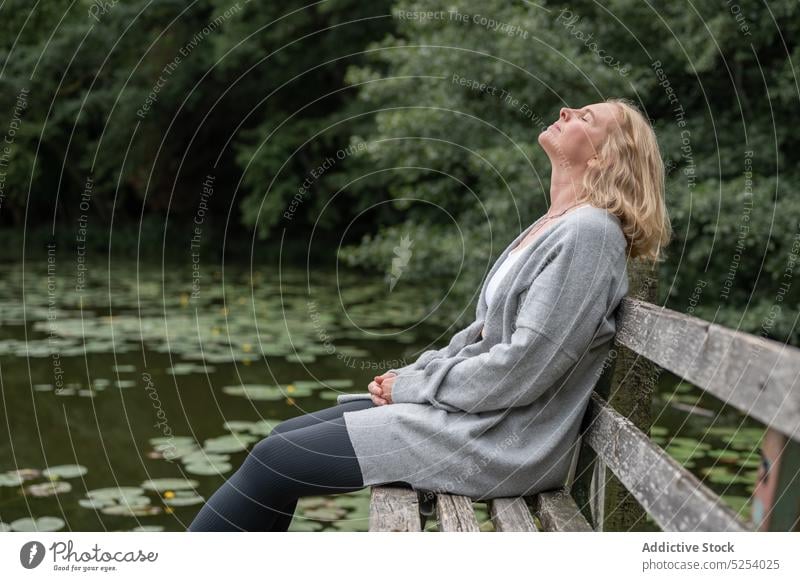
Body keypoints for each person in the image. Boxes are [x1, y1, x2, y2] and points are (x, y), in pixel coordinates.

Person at [187, 97, 672, 532]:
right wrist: (411, 374)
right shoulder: (556, 224)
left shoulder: (590, 233)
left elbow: (527, 366)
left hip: (500, 441)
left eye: (586, 117)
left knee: (276, 460)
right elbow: (480, 336)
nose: (566, 111)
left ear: (606, 157)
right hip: (476, 417)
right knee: (281, 439)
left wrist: (416, 390)